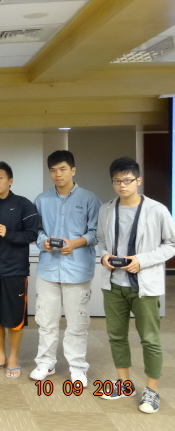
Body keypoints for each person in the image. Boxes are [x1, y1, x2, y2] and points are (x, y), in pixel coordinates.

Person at [98, 157, 175, 413]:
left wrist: (142, 261)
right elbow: (100, 241)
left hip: (145, 286)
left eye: (127, 180)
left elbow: (171, 244)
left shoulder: (157, 210)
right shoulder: (106, 209)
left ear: (138, 180)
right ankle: (124, 384)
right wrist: (104, 256)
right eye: (117, 181)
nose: (122, 185)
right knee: (116, 336)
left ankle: (152, 391)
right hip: (114, 285)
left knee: (150, 339)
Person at [30, 150, 101, 386]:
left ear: (73, 170)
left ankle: (77, 367)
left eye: (62, 169)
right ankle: (45, 363)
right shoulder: (41, 200)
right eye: (53, 170)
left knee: (77, 323)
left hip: (77, 270)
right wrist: (44, 242)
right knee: (46, 321)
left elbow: (95, 233)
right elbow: (36, 231)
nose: (57, 174)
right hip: (48, 270)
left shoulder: (89, 199)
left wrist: (75, 243)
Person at [0, 161, 38, 378]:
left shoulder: (23, 204)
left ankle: (13, 358)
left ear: (10, 180)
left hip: (15, 271)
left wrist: (9, 233)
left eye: (1, 177)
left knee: (14, 319)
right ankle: (0, 356)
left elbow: (33, 234)